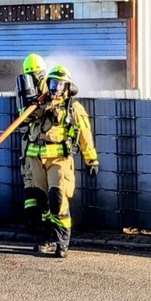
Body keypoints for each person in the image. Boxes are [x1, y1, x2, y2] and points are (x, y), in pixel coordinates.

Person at [23, 64, 98, 258]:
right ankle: (46, 238)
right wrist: (33, 106)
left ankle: (61, 241)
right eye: (53, 83)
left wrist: (92, 160)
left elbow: (85, 136)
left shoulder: (74, 108)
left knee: (57, 200)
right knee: (41, 202)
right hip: (36, 159)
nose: (56, 88)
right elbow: (23, 123)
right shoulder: (37, 106)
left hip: (59, 160)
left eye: (61, 84)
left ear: (68, 87)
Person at [16, 53, 51, 245]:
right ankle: (36, 220)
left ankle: (34, 219)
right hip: (32, 137)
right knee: (35, 178)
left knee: (30, 178)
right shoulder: (27, 88)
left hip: (30, 137)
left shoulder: (23, 86)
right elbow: (29, 114)